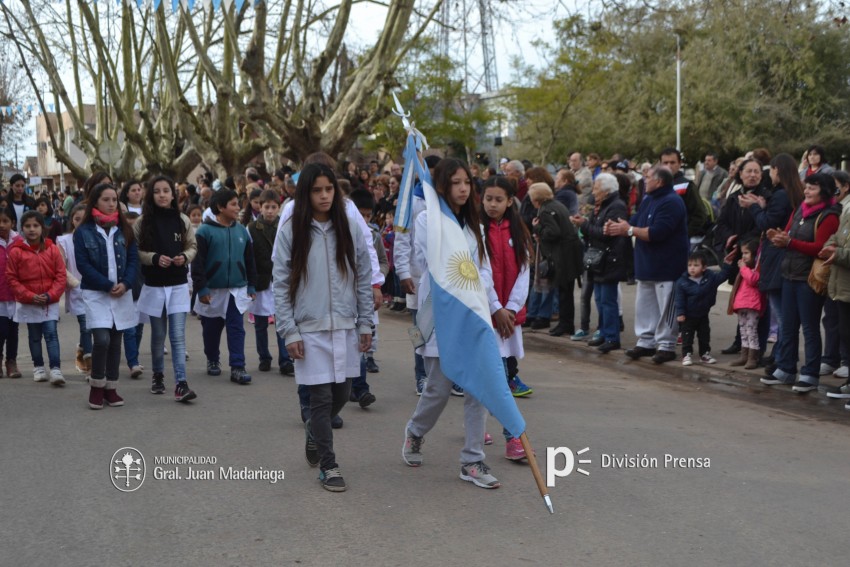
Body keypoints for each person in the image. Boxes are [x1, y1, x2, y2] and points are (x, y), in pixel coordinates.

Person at [273, 163, 373, 492]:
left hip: (345, 324)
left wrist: (365, 322)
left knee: (342, 393)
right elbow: (280, 283)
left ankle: (315, 432)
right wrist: (289, 330)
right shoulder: (292, 231)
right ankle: (328, 465)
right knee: (320, 398)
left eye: (329, 189)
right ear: (306, 194)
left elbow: (363, 276)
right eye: (317, 190)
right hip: (309, 328)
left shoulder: (349, 228)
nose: (324, 196)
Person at [402, 158, 501, 489]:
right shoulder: (426, 220)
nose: (463, 189)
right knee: (439, 388)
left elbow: (483, 269)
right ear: (441, 187)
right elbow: (433, 263)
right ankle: (415, 431)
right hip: (440, 314)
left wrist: (485, 300)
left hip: (473, 314)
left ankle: (472, 459)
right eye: (455, 183)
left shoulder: (475, 226)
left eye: (467, 182)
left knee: (477, 389)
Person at [761, 173, 840, 392]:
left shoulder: (829, 216)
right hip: (789, 274)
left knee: (809, 327)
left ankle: (810, 374)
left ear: (824, 191)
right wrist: (777, 237)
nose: (807, 191)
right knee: (788, 326)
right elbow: (788, 234)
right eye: (807, 187)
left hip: (809, 279)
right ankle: (786, 369)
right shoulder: (799, 209)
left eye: (812, 188)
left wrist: (790, 243)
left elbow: (821, 248)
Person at [606, 166, 689, 364]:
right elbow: (635, 221)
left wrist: (628, 230)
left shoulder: (672, 201)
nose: (644, 180)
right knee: (645, 307)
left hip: (667, 266)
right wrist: (618, 226)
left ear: (659, 181)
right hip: (646, 264)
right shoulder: (648, 199)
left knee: (666, 309)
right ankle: (646, 342)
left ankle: (666, 346)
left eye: (648, 177)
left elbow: (658, 232)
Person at [481, 177, 534, 460]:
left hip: (507, 318)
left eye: (498, 199)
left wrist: (510, 309)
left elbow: (524, 272)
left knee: (497, 377)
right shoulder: (475, 231)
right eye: (488, 199)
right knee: (496, 379)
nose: (492, 204)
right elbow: (477, 273)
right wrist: (495, 308)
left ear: (510, 201)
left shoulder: (519, 231)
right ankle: (511, 436)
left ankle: (487, 428)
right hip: (484, 315)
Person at [74, 183, 139, 410]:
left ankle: (111, 388)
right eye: (106, 199)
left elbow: (133, 261)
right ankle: (96, 386)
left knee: (115, 341)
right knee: (102, 340)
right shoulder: (83, 232)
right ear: (95, 201)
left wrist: (126, 283)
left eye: (114, 199)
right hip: (96, 293)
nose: (111, 204)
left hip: (121, 293)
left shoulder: (125, 229)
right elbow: (82, 264)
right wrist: (106, 284)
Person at [134, 175, 198, 402]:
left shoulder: (182, 220)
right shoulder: (142, 222)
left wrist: (184, 257)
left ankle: (181, 383)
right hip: (154, 286)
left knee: (177, 336)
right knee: (159, 335)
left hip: (178, 285)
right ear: (150, 195)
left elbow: (192, 246)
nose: (162, 195)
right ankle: (158, 375)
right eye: (157, 191)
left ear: (173, 194)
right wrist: (153, 258)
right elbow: (136, 251)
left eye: (166, 191)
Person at [192, 188, 257, 385]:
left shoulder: (242, 231)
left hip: (236, 290)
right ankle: (212, 359)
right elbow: (197, 264)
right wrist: (202, 288)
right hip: (212, 291)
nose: (238, 208)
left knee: (236, 328)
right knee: (211, 330)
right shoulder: (204, 231)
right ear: (220, 207)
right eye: (233, 204)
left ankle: (238, 366)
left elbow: (250, 260)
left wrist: (252, 285)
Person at [571, 173, 631, 353]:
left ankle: (612, 337)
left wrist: (584, 225)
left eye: (596, 188)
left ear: (606, 190)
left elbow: (606, 233)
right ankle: (604, 333)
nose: (593, 191)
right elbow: (596, 230)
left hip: (609, 259)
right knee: (600, 299)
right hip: (599, 260)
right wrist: (585, 224)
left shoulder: (616, 206)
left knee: (607, 300)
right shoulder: (602, 206)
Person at [6, 211, 66, 385]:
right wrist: (30, 296)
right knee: (34, 336)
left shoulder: (52, 249)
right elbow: (12, 278)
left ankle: (55, 369)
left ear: (42, 228)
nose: (32, 229)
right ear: (22, 228)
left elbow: (61, 275)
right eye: (27, 226)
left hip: (49, 301)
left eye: (35, 225)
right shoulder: (16, 252)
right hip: (29, 303)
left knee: (51, 334)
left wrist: (51, 295)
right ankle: (38, 367)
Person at [348, 188, 388, 408]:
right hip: (344, 294)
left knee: (361, 341)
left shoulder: (373, 235)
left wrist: (377, 281)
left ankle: (361, 388)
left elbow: (381, 261)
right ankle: (348, 386)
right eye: (360, 215)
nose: (364, 219)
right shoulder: (343, 232)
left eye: (367, 215)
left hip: (365, 293)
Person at [248, 189, 295, 376]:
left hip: (280, 280)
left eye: (273, 207)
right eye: (266, 207)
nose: (270, 211)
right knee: (260, 323)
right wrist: (250, 282)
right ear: (260, 207)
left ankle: (285, 360)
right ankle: (264, 357)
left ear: (279, 208)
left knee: (282, 321)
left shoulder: (285, 225)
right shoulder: (251, 228)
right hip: (261, 281)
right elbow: (249, 257)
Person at [530, 182, 584, 337]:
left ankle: (565, 324)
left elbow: (553, 232)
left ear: (536, 199)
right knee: (566, 292)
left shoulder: (545, 210)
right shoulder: (558, 205)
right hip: (570, 253)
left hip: (562, 256)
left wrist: (537, 228)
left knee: (563, 292)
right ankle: (566, 323)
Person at [675, 251, 731, 366]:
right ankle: (686, 354)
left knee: (704, 335)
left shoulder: (710, 278)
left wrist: (727, 264)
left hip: (703, 314)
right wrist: (680, 313)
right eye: (690, 265)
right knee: (687, 336)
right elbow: (679, 299)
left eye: (696, 265)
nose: (692, 268)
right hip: (688, 316)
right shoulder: (682, 282)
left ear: (704, 268)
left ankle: (705, 354)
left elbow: (722, 276)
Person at [823, 180, 850, 406]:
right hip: (843, 285)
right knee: (845, 332)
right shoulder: (845, 208)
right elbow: (838, 235)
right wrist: (830, 246)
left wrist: (838, 253)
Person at [57, 204, 92, 376]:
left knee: (92, 326)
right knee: (85, 325)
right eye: (77, 219)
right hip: (77, 289)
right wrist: (76, 284)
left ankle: (81, 350)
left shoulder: (97, 238)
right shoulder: (64, 241)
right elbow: (61, 267)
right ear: (72, 220)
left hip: (95, 288)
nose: (81, 223)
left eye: (85, 219)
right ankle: (90, 364)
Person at [727, 239, 763, 369]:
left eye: (746, 253)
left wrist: (743, 268)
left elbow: (753, 280)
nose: (743, 256)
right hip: (742, 304)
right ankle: (744, 355)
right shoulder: (745, 269)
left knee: (751, 331)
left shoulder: (755, 269)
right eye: (742, 253)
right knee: (743, 331)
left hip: (752, 305)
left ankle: (752, 358)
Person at [660, 148, 708, 239]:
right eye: (665, 163)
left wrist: (684, 235)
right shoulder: (655, 184)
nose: (669, 166)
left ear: (679, 164)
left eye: (672, 162)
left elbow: (699, 215)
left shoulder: (686, 185)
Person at [0, 208, 22, 378]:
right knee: (1, 330)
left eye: (5, 221)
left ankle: (11, 361)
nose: (2, 225)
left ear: (13, 223)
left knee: (13, 331)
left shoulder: (20, 242)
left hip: (15, 295)